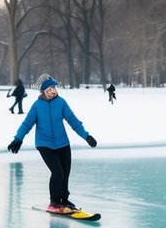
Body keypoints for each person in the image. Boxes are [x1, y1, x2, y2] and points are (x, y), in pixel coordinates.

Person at [7, 74, 98, 214]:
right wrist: (18, 139)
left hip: (63, 143)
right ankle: (54, 202)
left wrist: (86, 136)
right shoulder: (37, 106)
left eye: (53, 88)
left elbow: (73, 120)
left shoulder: (61, 102)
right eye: (49, 89)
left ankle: (64, 200)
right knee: (57, 173)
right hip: (45, 145)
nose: (52, 91)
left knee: (65, 173)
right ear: (43, 92)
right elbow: (26, 124)